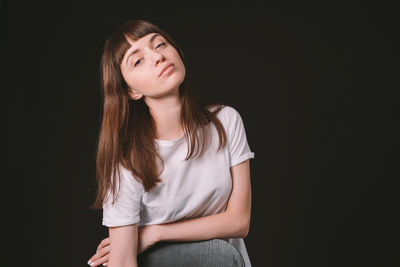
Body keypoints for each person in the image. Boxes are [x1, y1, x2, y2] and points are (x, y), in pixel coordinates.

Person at [87, 19, 255, 267]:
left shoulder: (225, 121)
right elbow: (122, 260)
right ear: (131, 91)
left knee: (220, 256)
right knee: (219, 256)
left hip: (225, 262)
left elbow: (239, 221)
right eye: (138, 60)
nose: (157, 56)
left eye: (160, 44)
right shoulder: (126, 158)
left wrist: (154, 233)